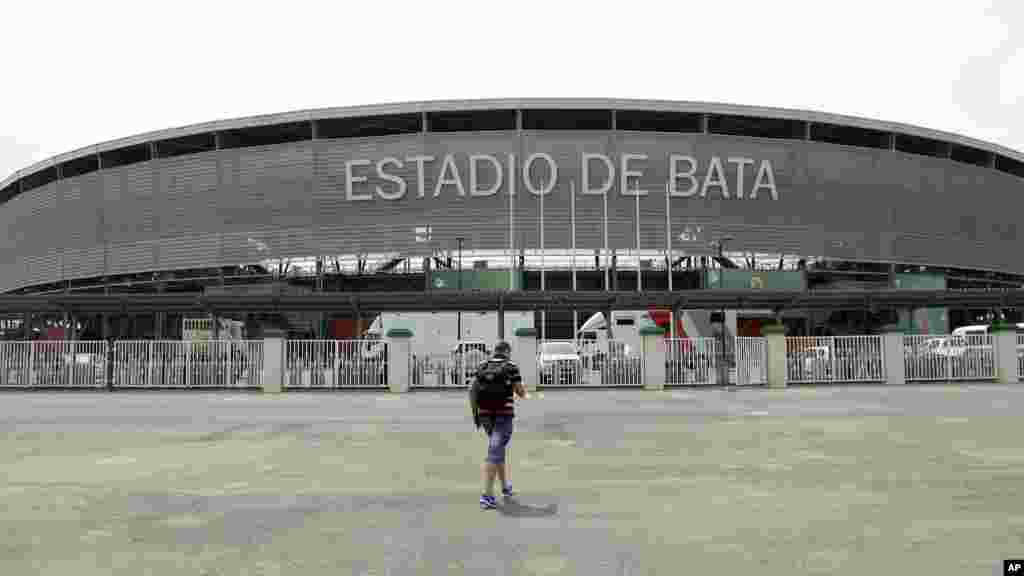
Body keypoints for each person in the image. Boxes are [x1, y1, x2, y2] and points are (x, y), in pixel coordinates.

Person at [469, 340, 527, 510]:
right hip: (503, 415)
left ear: (494, 351)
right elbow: (520, 391)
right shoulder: (511, 366)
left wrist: (476, 415)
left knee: (497, 448)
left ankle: (505, 487)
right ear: (507, 351)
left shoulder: (482, 365)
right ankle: (486, 495)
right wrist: (525, 393)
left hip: (485, 415)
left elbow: (471, 390)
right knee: (495, 450)